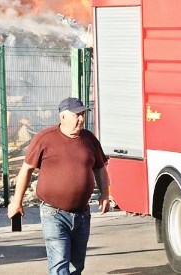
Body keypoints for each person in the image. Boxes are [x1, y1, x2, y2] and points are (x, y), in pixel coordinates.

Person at [8, 97, 109, 275]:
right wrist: (17, 202)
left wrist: (105, 195)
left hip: (82, 215)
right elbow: (26, 169)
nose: (81, 119)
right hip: (53, 214)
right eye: (76, 115)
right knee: (60, 264)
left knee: (77, 266)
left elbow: (100, 168)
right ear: (62, 116)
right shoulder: (45, 139)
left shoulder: (89, 139)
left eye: (83, 114)